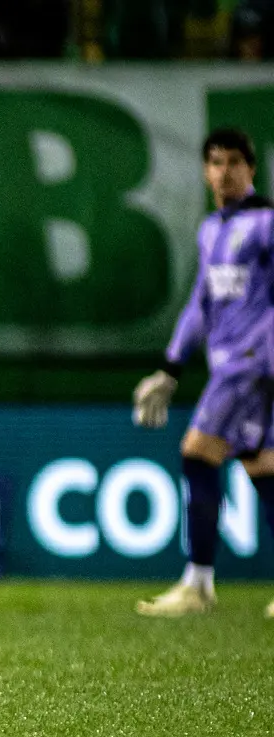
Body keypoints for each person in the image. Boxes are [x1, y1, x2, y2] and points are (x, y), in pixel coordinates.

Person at [133, 127, 274, 619]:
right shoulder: (211, 228)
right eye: (214, 162)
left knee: (197, 454)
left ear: (251, 169)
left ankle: (198, 585)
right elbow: (200, 303)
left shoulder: (266, 223)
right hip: (236, 366)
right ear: (204, 170)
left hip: (251, 365)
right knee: (260, 463)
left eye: (234, 162)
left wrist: (262, 354)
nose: (223, 172)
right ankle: (199, 585)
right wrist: (170, 367)